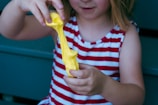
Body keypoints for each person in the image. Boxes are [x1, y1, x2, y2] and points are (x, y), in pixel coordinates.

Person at [0, 0, 145, 105]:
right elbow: (11, 31)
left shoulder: (125, 35)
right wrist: (18, 5)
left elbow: (136, 97)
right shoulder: (61, 22)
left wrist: (105, 86)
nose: (85, 0)